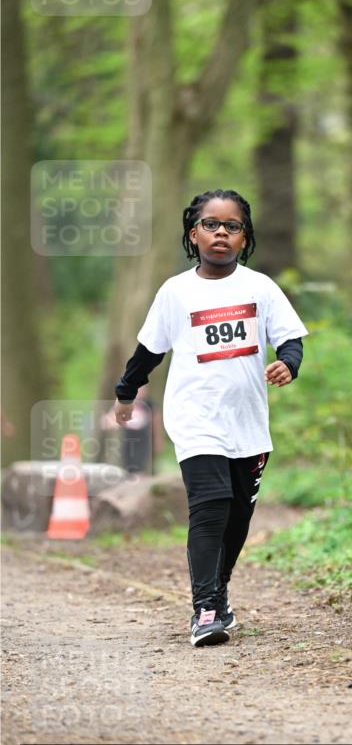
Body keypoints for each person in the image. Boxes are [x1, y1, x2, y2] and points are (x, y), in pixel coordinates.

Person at [113, 189, 307, 647]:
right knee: (211, 504)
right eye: (211, 224)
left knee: (238, 516)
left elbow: (291, 339)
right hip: (195, 417)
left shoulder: (260, 288)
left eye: (232, 226)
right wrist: (125, 392)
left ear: (244, 237)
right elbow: (149, 351)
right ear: (193, 233)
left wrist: (289, 364)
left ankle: (218, 592)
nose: (221, 232)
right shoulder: (176, 291)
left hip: (248, 424)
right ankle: (204, 609)